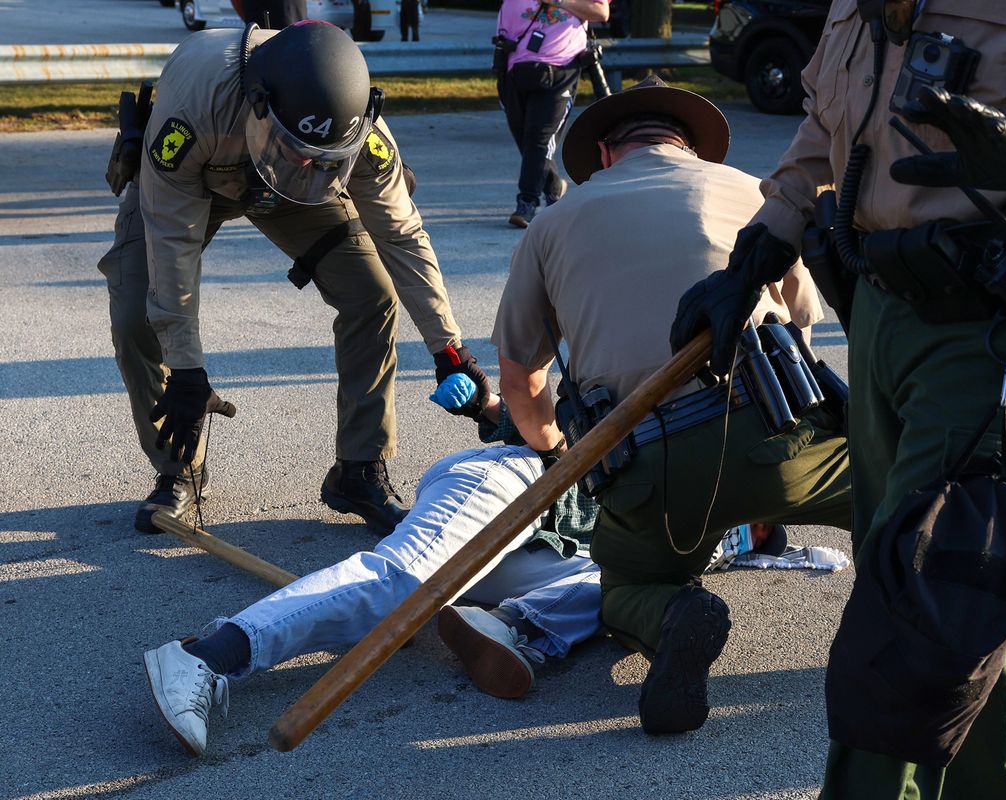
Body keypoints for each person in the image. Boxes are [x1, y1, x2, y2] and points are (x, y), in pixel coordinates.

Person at [669, 2, 1006, 796]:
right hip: (882, 306)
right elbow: (829, 124)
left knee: (938, 593)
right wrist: (758, 251)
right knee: (928, 589)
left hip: (1000, 311)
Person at [142, 379, 804, 755]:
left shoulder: (715, 533)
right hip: (513, 483)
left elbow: (730, 545)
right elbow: (539, 405)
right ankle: (207, 655)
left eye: (757, 530)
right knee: (402, 584)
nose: (749, 527)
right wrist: (490, 405)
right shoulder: (659, 396)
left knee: (620, 580)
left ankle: (506, 630)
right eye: (754, 522)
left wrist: (762, 541)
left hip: (542, 559)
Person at [490, 76, 854, 735]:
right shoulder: (754, 194)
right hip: (783, 430)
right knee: (921, 507)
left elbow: (519, 378)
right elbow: (802, 326)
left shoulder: (551, 224)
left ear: (604, 154)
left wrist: (554, 455)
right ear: (690, 147)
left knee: (624, 589)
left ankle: (670, 617)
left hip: (649, 468)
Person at [97, 21, 487, 537]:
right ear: (260, 105)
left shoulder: (358, 133)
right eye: (299, 150)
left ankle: (359, 469)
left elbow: (403, 236)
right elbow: (173, 246)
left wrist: (450, 352)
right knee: (135, 318)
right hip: (200, 177)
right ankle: (180, 472)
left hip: (287, 193)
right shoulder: (192, 114)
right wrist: (187, 371)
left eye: (324, 158)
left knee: (371, 292)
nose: (308, 162)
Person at [493, 0, 609, 228]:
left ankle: (526, 201)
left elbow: (601, 12)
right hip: (517, 68)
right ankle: (553, 184)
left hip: (562, 68)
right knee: (525, 138)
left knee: (539, 138)